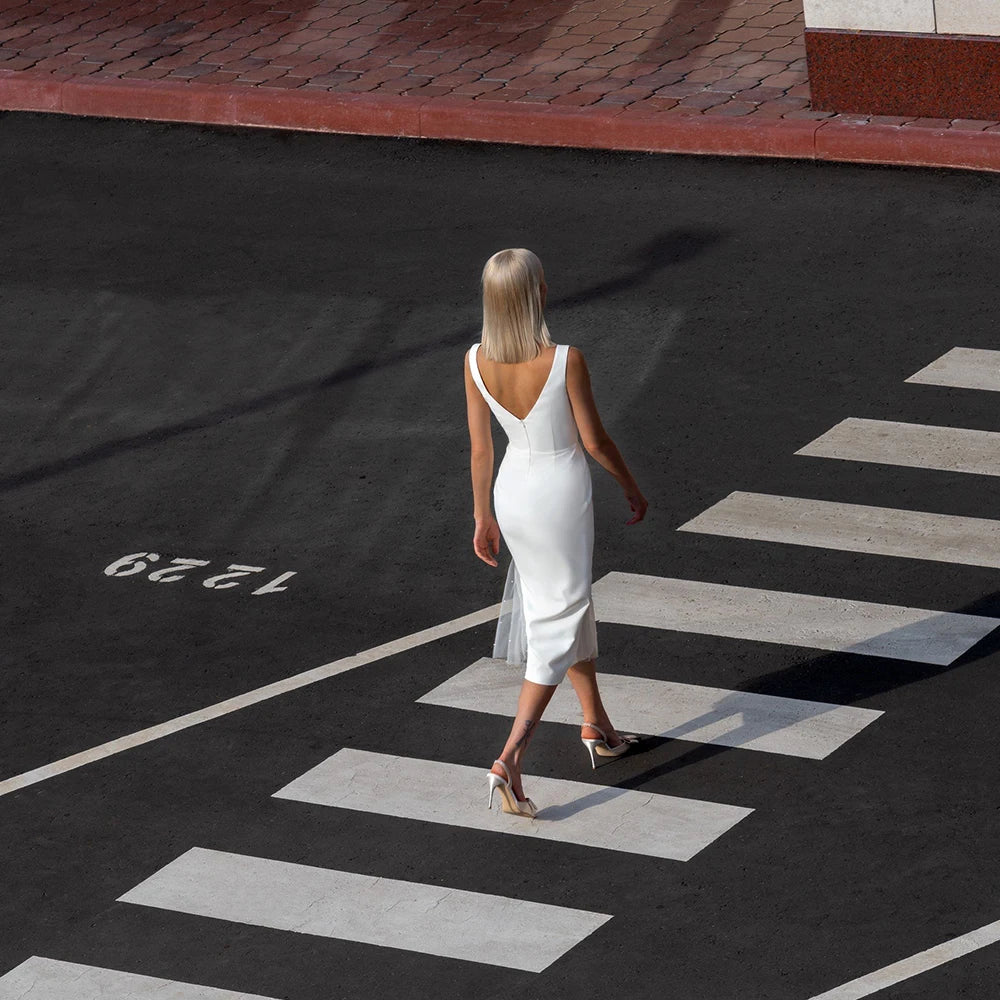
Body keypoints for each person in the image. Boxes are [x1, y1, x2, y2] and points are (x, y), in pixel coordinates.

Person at [464, 248, 648, 818]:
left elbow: (480, 448)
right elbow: (595, 442)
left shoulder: (473, 360)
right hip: (560, 493)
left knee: (563, 604)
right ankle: (510, 757)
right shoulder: (566, 358)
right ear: (536, 294)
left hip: (512, 493)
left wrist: (482, 516)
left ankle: (596, 724)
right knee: (560, 614)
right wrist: (632, 488)